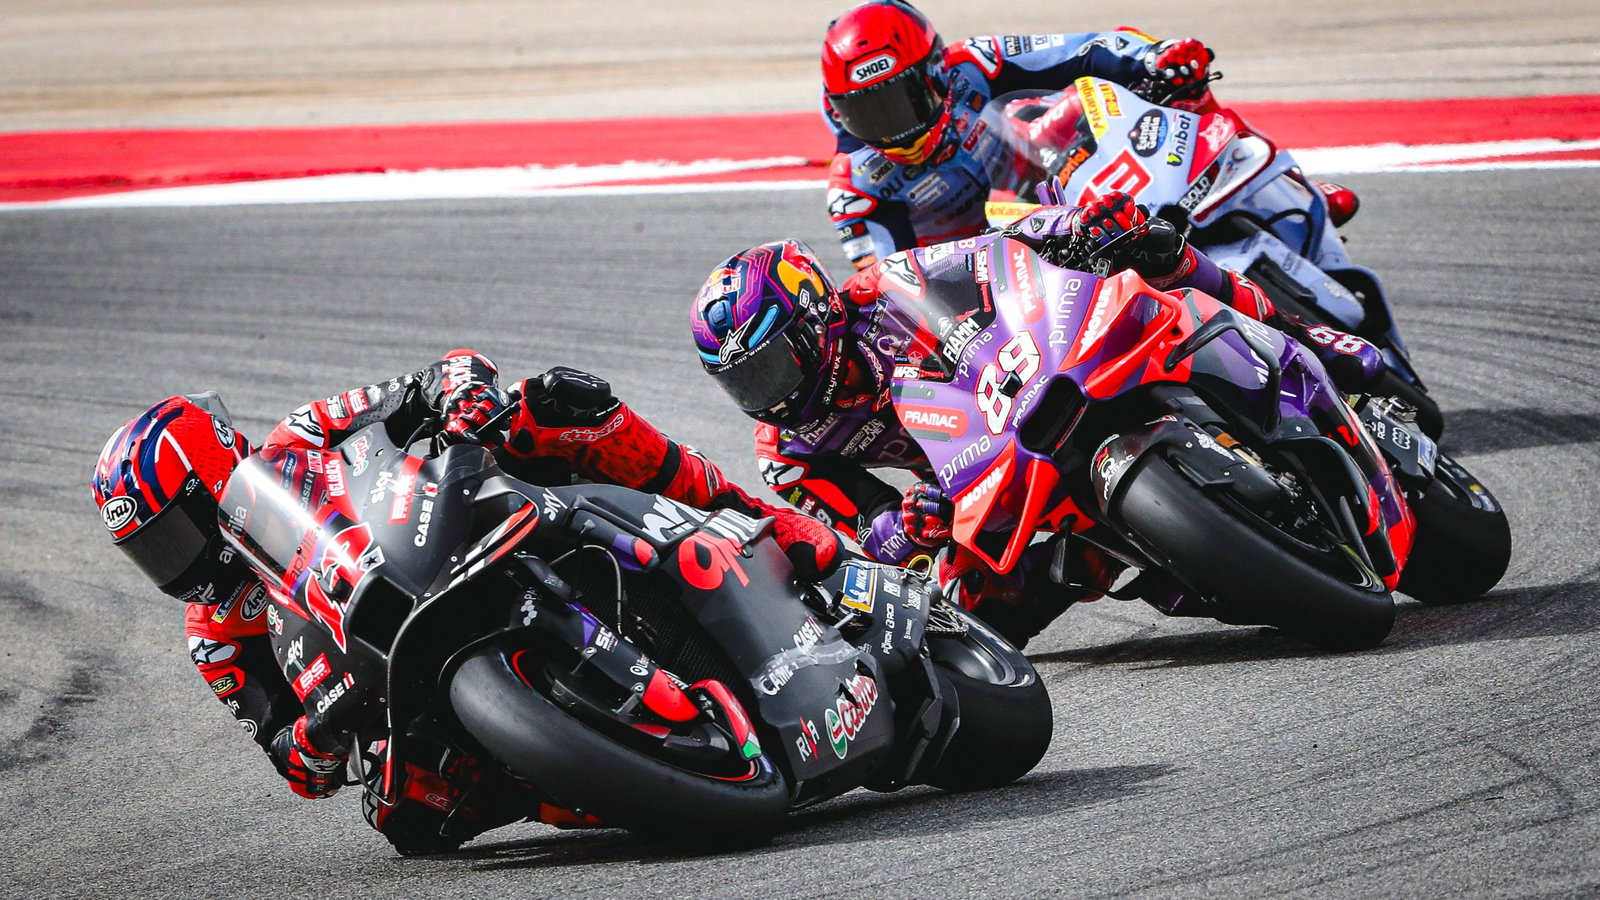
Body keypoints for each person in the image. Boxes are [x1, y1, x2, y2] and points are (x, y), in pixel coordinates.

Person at [90, 351, 839, 854]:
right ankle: (597, 782)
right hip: (376, 689)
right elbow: (289, 756)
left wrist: (462, 401)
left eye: (176, 533)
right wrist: (314, 741)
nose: (180, 565)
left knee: (554, 407)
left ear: (216, 472)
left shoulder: (303, 435)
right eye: (151, 554)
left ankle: (764, 521)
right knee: (406, 823)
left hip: (444, 536)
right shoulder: (214, 637)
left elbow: (440, 372)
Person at [691, 191, 1386, 647]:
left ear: (815, 319)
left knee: (1154, 258)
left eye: (773, 365)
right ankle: (1168, 558)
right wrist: (907, 525)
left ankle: (1306, 337)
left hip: (1033, 370)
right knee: (972, 612)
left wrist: (1080, 227)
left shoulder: (887, 286)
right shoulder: (787, 448)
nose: (771, 393)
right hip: (976, 471)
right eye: (746, 382)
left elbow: (1000, 249)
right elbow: (855, 533)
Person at [819, 0, 1359, 269]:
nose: (892, 127)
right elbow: (889, 284)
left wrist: (1154, 56)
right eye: (868, 112)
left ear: (935, 72)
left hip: (1050, 192)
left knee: (1163, 81)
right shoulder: (856, 190)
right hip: (995, 269)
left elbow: (1084, 48)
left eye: (900, 100)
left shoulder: (975, 63)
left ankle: (1273, 184)